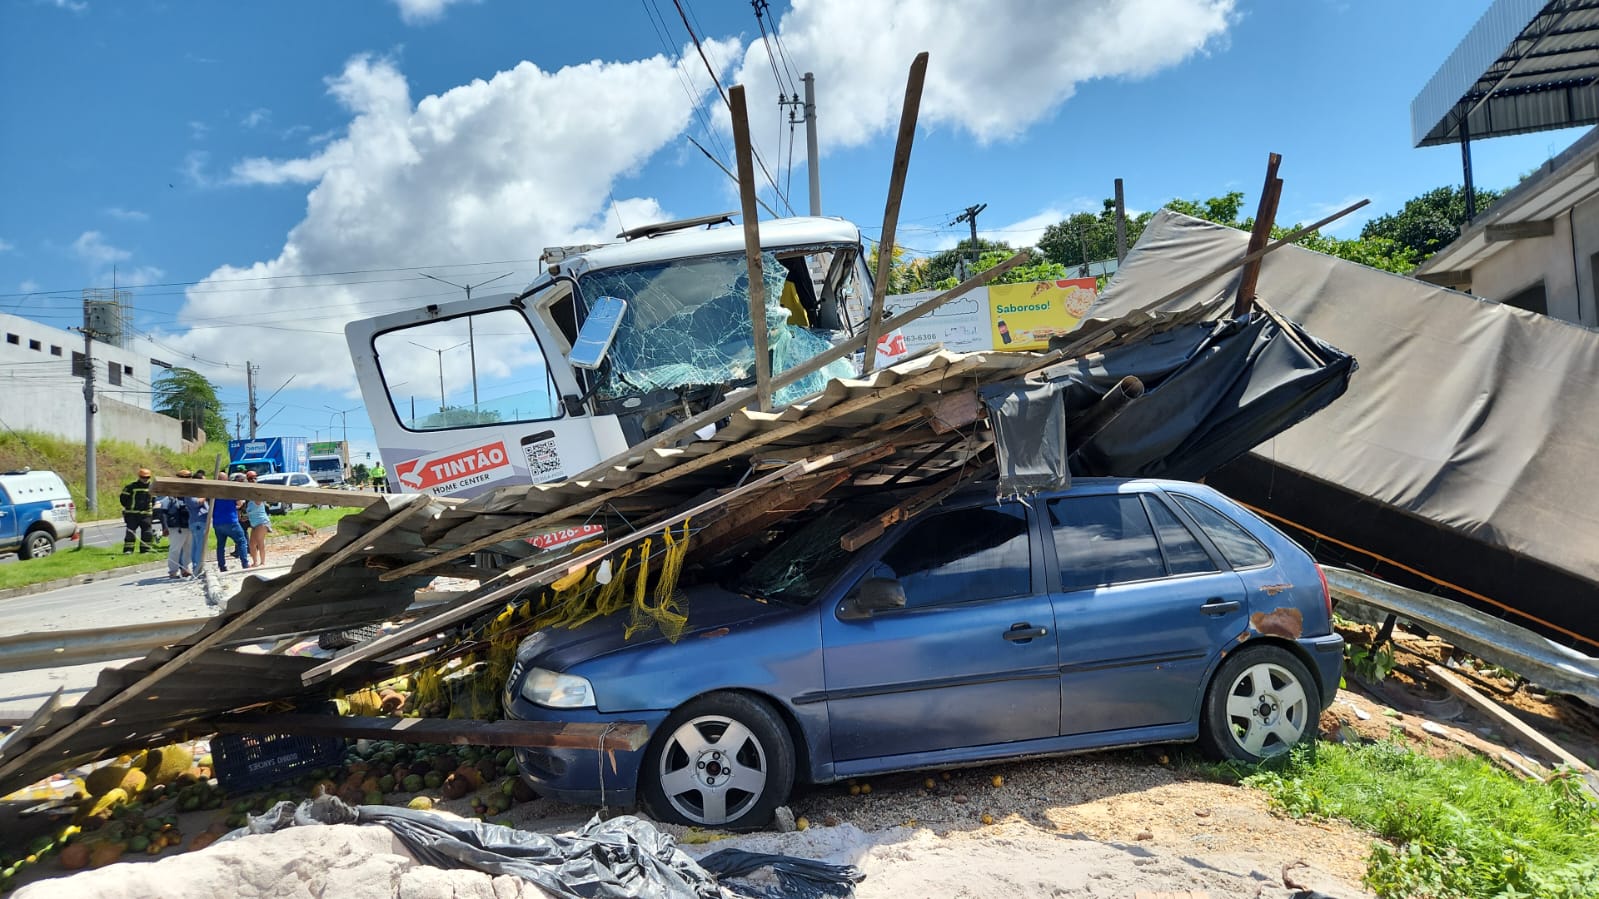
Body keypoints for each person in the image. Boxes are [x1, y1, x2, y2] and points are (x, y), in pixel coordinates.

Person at [212, 473, 251, 571]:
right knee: (241, 541)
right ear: (226, 479)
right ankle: (245, 563)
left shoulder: (212, 491)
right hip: (231, 521)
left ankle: (222, 566)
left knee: (220, 545)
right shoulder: (230, 491)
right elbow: (239, 503)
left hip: (217, 522)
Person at [164, 470, 194, 578]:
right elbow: (163, 509)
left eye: (188, 477)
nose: (187, 479)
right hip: (177, 526)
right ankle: (173, 571)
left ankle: (186, 569)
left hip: (190, 524)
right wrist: (165, 526)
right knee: (175, 549)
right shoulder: (171, 491)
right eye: (184, 477)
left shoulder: (193, 490)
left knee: (188, 549)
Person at [120, 468, 156, 554]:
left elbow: (154, 500)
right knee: (130, 533)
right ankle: (128, 550)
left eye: (147, 477)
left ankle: (145, 550)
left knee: (147, 533)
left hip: (146, 514)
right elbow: (123, 499)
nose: (145, 479)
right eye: (143, 477)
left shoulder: (152, 487)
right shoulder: (131, 487)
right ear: (139, 477)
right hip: (132, 514)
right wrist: (129, 507)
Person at [183, 470, 211, 577]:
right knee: (199, 546)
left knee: (196, 546)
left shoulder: (198, 493)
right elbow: (195, 503)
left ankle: (196, 567)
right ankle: (198, 568)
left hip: (201, 521)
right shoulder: (191, 492)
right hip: (198, 522)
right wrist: (206, 496)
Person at [243, 470, 271, 567]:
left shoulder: (257, 496)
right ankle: (255, 562)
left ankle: (262, 562)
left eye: (254, 478)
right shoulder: (249, 500)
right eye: (250, 479)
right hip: (254, 523)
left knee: (260, 542)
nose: (252, 480)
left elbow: (258, 493)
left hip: (262, 522)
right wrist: (246, 517)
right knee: (251, 544)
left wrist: (254, 485)